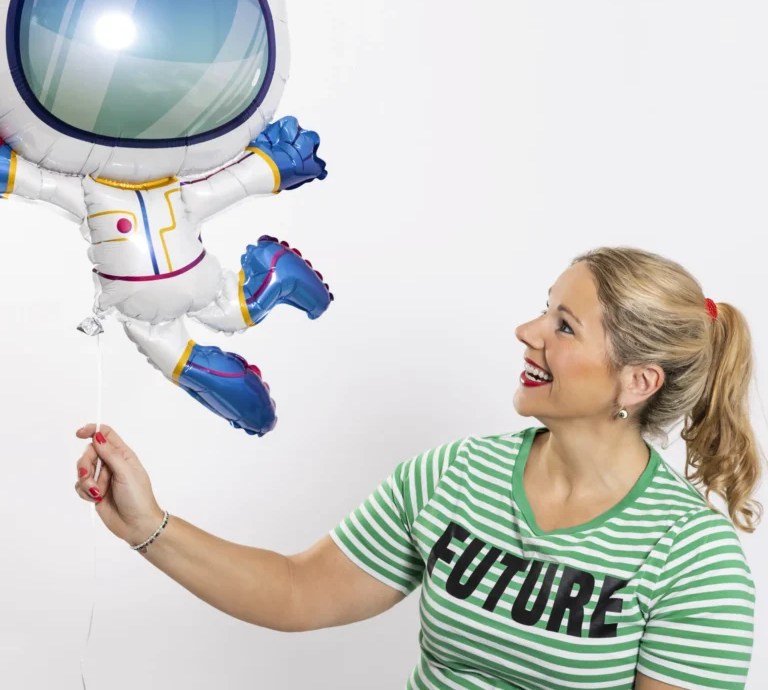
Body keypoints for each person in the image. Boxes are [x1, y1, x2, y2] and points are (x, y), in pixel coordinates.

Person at [74, 247, 760, 690]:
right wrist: (148, 526)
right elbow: (297, 591)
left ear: (637, 382)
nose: (528, 332)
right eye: (544, 309)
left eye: (564, 326)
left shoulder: (692, 558)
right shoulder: (455, 476)